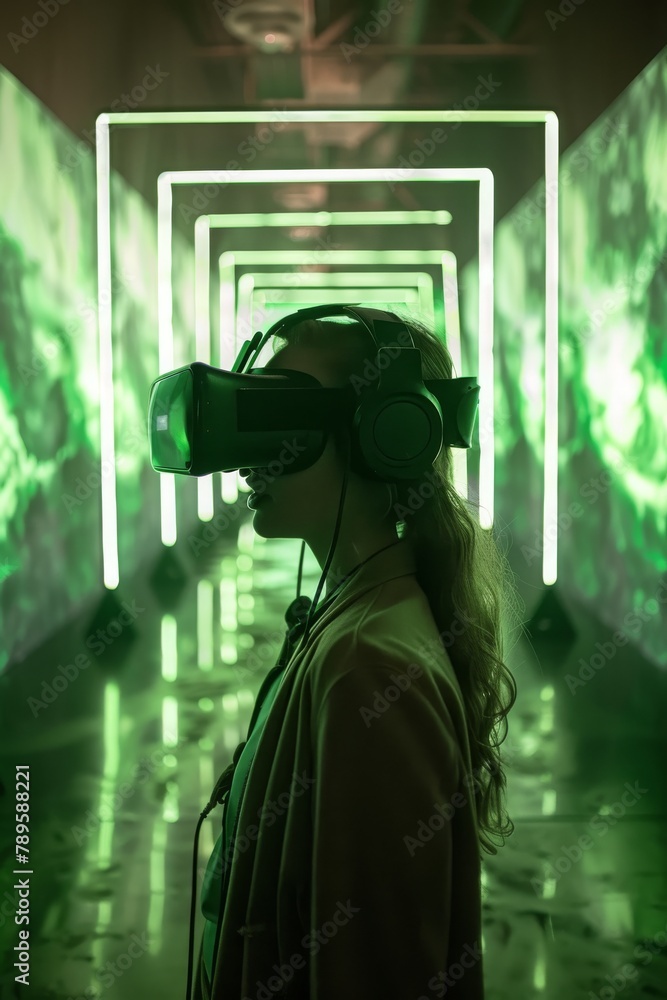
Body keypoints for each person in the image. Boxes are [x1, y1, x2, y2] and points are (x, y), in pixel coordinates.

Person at [192, 312, 522, 1000]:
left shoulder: (369, 670)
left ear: (385, 439)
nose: (251, 452)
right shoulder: (345, 618)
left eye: (282, 415)